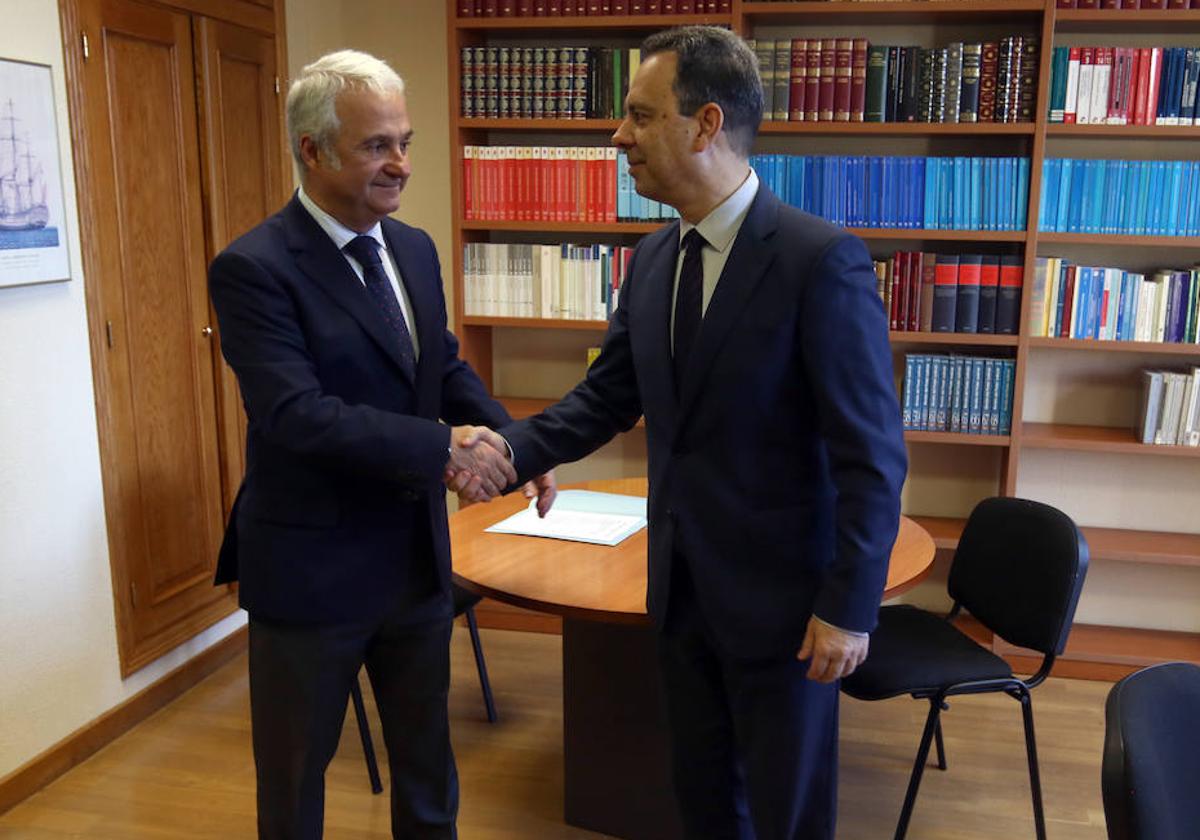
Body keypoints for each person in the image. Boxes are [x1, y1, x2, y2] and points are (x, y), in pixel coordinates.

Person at [461, 26, 906, 840]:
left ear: (704, 125)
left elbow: (871, 457)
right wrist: (505, 452)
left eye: (638, 115)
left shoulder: (820, 261)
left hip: (786, 610)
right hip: (679, 596)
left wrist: (850, 608)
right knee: (701, 800)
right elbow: (604, 400)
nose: (617, 135)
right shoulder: (653, 261)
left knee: (788, 814)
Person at [207, 49, 553, 840]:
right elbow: (297, 415)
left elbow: (443, 367)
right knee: (295, 785)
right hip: (311, 572)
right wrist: (444, 449)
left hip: (413, 564)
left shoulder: (415, 248)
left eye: (405, 141)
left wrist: (518, 446)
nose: (399, 164)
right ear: (312, 150)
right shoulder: (255, 268)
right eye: (376, 146)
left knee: (429, 771)